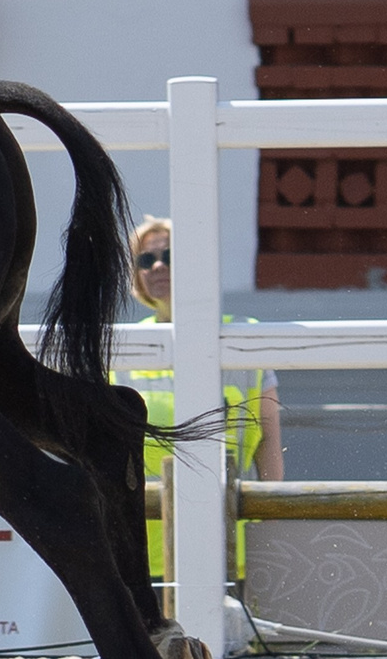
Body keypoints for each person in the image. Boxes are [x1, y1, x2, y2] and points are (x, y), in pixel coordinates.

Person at [120, 214, 281, 582]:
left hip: (231, 541)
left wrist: (269, 524)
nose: (158, 265)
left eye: (170, 256)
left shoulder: (242, 336)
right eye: (146, 260)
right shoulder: (124, 345)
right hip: (147, 550)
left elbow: (269, 440)